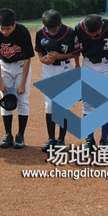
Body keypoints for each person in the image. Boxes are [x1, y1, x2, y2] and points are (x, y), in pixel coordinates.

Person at [35, 9, 80, 152]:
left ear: (60, 24)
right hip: (48, 70)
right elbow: (39, 50)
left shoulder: (70, 32)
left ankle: (61, 139)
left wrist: (59, 56)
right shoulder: (40, 32)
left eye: (54, 29)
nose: (52, 32)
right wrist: (42, 58)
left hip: (64, 68)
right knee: (49, 106)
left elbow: (76, 53)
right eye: (49, 29)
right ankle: (51, 139)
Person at [0, 8, 33, 149]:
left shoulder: (23, 32)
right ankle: (8, 134)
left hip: (21, 66)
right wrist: (0, 81)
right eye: (2, 28)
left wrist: (23, 83)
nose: (4, 32)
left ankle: (20, 135)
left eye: (8, 29)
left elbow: (27, 59)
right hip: (4, 67)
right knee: (6, 98)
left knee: (22, 99)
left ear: (14, 24)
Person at [76, 13, 108, 149]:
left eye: (96, 33)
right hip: (88, 63)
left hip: (106, 64)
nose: (94, 36)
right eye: (91, 34)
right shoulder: (79, 28)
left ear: (101, 25)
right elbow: (76, 49)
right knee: (88, 102)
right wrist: (77, 65)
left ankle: (104, 139)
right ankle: (90, 139)